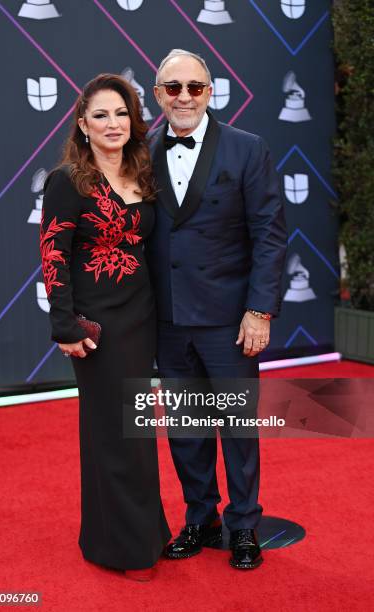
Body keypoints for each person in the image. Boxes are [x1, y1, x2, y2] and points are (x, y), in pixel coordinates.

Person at [147, 49, 287, 569]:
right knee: (185, 429)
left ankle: (244, 525)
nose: (184, 96)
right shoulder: (140, 151)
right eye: (173, 87)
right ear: (157, 93)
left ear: (211, 92)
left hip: (230, 320)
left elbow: (269, 236)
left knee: (238, 429)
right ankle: (199, 518)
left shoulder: (247, 149)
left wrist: (260, 311)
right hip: (166, 319)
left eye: (195, 87)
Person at [40, 73, 171, 581]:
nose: (112, 123)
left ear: (133, 121)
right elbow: (53, 253)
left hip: (142, 316)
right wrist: (65, 325)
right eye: (101, 115)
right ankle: (123, 548)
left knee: (136, 432)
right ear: (82, 124)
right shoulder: (68, 180)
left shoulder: (143, 172)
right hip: (97, 325)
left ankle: (142, 532)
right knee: (115, 434)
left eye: (121, 113)